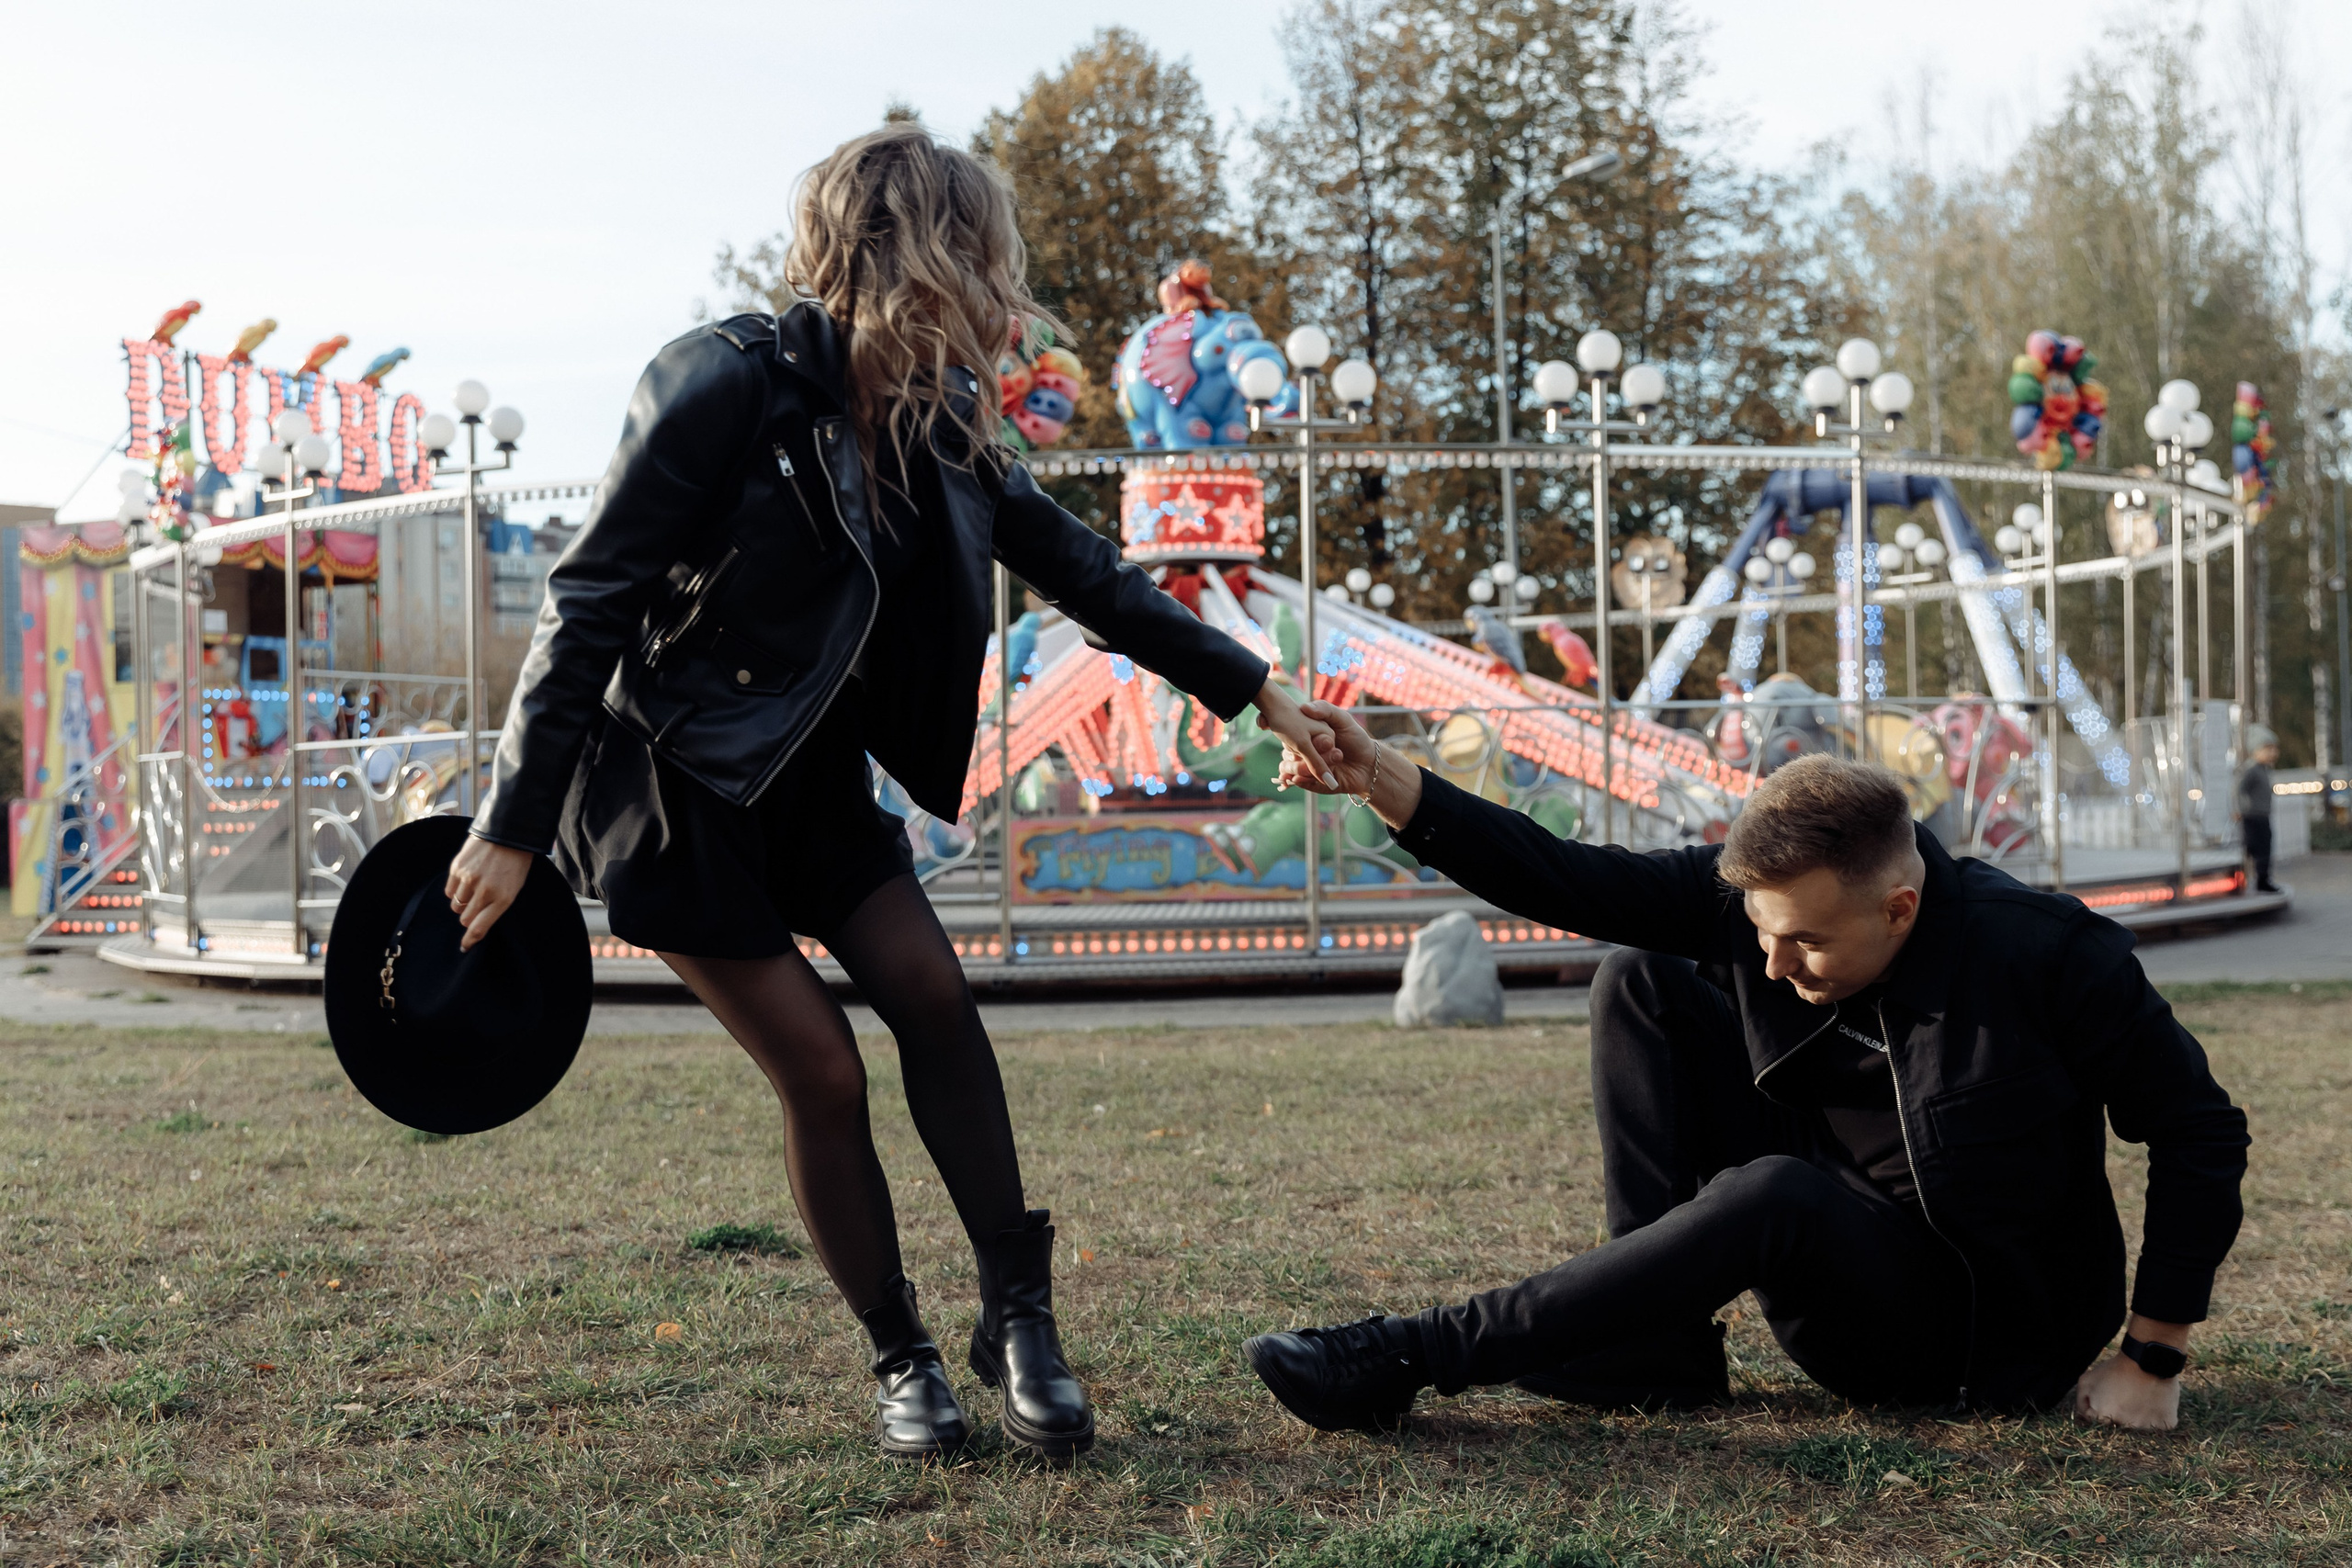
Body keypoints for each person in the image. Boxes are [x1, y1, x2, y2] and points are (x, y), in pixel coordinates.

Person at [442, 124, 1340, 1463]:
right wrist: (512, 826)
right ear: (919, 257)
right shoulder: (717, 385)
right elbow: (588, 603)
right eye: (986, 258)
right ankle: (901, 1352)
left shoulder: (942, 433)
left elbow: (1091, 575)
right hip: (670, 785)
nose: (1007, 292)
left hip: (803, 775)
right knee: (822, 1065)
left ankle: (1017, 1314)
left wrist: (1260, 688)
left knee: (934, 993)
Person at [1245, 708, 2248, 1434]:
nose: (1771, 965)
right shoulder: (1765, 911)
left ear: (1898, 907)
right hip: (1828, 1221)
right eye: (1764, 935)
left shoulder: (2050, 956)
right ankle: (1653, 1346)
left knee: (1775, 1195)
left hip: (1971, 1330)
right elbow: (1561, 874)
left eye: (1805, 942)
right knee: (1641, 973)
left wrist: (2150, 1355)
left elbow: (2200, 1129)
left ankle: (1409, 1354)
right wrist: (1381, 776)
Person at [2238, 724, 2280, 894]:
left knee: (2265, 847)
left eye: (2274, 748)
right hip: (2253, 816)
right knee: (2257, 847)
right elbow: (2239, 790)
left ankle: (2263, 878)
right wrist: (2241, 808)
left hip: (2262, 815)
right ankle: (2259, 879)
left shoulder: (2263, 770)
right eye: (2268, 748)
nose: (2273, 753)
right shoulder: (2252, 770)